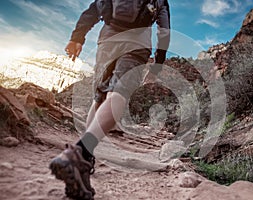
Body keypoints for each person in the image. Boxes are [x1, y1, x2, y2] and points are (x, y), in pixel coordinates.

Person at [49, 0, 170, 199]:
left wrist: (77, 37)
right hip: (137, 44)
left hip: (107, 41)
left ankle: (83, 168)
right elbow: (164, 29)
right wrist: (158, 63)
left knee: (100, 98)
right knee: (118, 95)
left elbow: (94, 9)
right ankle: (80, 152)